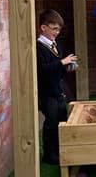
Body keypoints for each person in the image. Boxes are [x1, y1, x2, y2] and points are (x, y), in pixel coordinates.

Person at [35, 9, 78, 165]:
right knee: (51, 124)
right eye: (54, 28)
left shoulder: (56, 45)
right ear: (43, 28)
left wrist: (68, 66)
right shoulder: (38, 47)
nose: (57, 32)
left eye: (59, 29)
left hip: (59, 91)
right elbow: (41, 69)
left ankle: (61, 150)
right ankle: (49, 154)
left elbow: (56, 68)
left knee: (62, 121)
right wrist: (61, 62)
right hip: (47, 93)